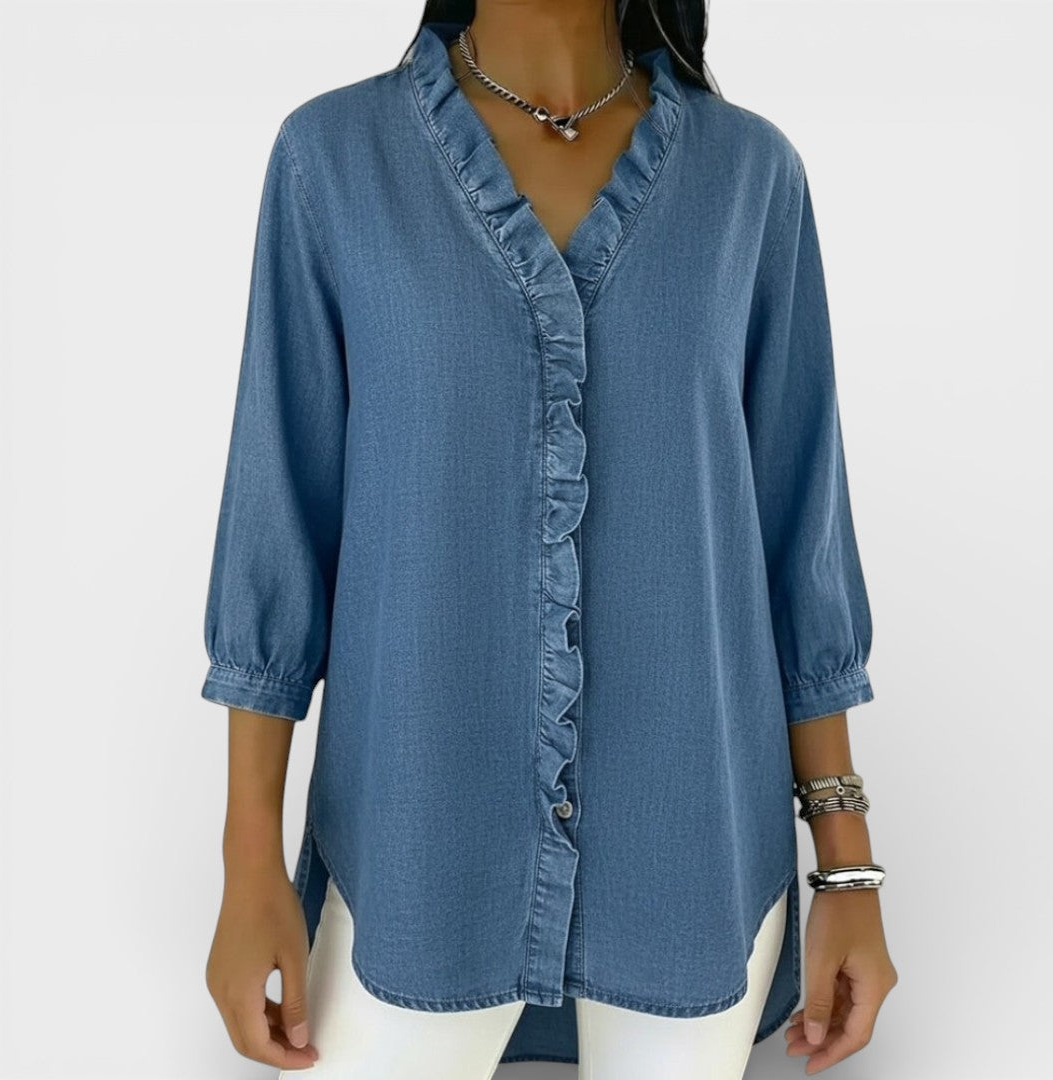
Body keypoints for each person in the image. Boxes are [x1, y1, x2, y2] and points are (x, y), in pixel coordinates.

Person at [201, 3, 899, 1078]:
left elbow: (799, 532)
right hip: (418, 847)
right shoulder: (331, 162)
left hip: (691, 852)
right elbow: (278, 524)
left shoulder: (751, 178)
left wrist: (845, 870)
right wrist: (249, 863)